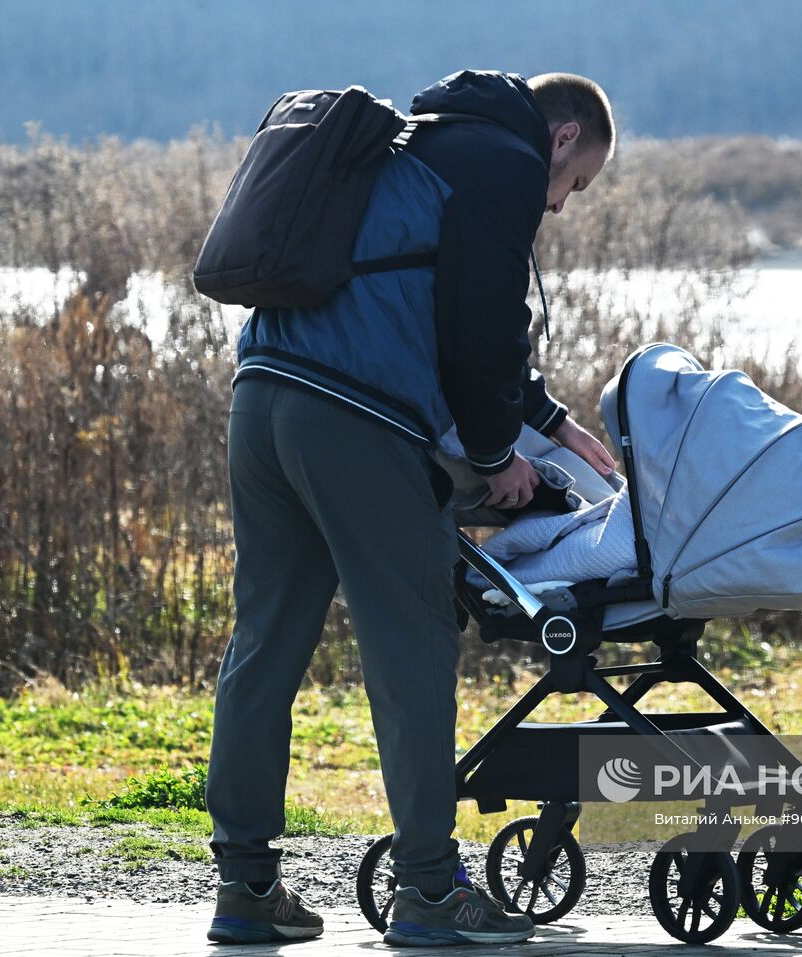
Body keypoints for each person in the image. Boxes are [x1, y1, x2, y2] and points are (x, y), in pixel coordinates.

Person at [203, 70, 617, 947]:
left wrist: (544, 417)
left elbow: (411, 288)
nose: (560, 207)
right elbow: (479, 323)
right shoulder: (505, 161)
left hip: (263, 399)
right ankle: (430, 890)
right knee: (413, 644)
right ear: (565, 138)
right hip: (354, 422)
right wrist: (501, 459)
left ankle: (244, 887)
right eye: (572, 186)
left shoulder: (413, 142)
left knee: (264, 645)